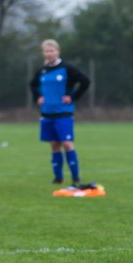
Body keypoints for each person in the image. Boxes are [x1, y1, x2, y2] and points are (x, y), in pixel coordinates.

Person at [29, 38, 91, 185]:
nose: (49, 54)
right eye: (46, 51)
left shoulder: (67, 68)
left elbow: (85, 81)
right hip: (47, 113)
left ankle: (76, 177)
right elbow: (32, 84)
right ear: (43, 53)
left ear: (58, 51)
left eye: (52, 51)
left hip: (63, 113)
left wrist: (73, 97)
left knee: (67, 143)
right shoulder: (42, 70)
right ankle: (58, 178)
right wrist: (38, 97)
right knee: (54, 145)